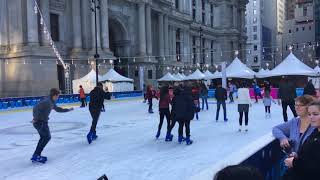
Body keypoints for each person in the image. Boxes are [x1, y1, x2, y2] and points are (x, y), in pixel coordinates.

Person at [31, 88, 73, 163]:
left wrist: (68, 110)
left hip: (41, 122)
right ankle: (36, 155)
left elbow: (58, 109)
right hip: (40, 122)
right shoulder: (47, 101)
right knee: (47, 137)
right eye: (58, 96)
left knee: (44, 137)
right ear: (54, 95)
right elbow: (36, 108)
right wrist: (36, 118)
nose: (58, 97)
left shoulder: (51, 101)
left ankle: (36, 155)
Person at [282, 101, 320, 180]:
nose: (311, 117)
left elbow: (315, 167)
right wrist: (297, 156)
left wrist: (294, 163)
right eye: (309, 114)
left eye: (315, 114)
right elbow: (310, 155)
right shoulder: (315, 131)